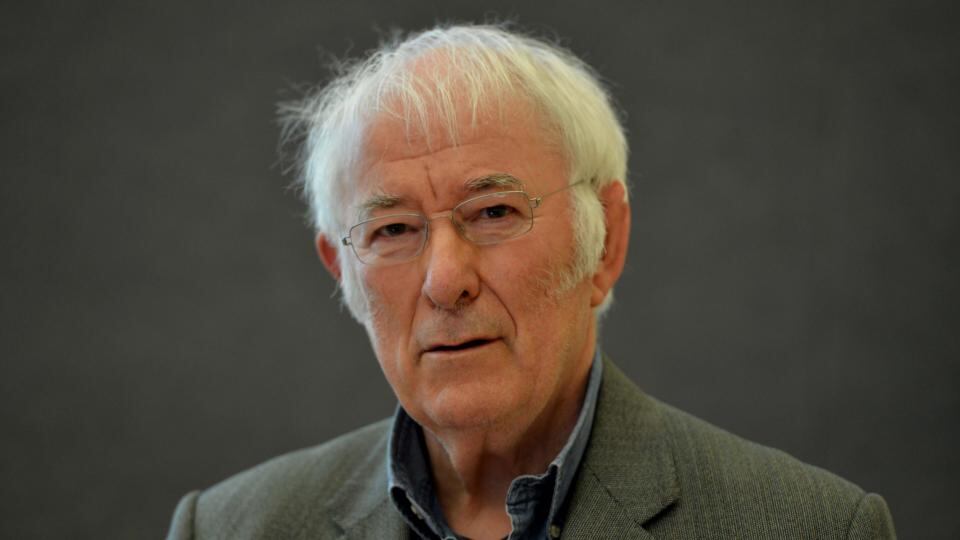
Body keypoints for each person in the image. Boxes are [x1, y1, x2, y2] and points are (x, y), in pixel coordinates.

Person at [166, 24, 896, 539]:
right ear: (344, 273)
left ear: (604, 242)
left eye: (494, 213)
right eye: (393, 230)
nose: (444, 281)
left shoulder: (810, 528)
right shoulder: (231, 529)